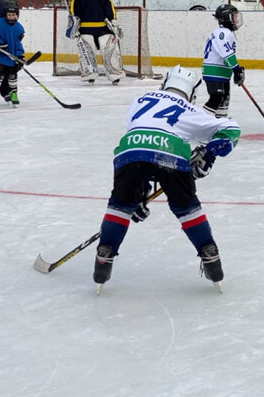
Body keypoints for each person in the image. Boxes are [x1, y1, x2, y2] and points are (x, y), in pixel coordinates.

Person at [92, 65, 241, 292]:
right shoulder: (190, 109)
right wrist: (208, 154)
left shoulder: (139, 100)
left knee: (120, 206)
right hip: (171, 151)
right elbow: (231, 129)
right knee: (187, 208)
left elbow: (145, 143)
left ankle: (105, 255)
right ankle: (209, 254)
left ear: (165, 84)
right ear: (192, 92)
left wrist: (139, 192)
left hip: (130, 149)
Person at [70, 0, 125, 84]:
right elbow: (74, 9)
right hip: (85, 28)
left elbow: (109, 7)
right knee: (87, 51)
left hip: (102, 27)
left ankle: (114, 73)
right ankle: (90, 73)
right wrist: (74, 21)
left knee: (108, 50)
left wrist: (113, 20)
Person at [202, 4, 245, 118]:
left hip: (221, 73)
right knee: (216, 98)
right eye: (234, 17)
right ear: (227, 18)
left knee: (224, 100)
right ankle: (200, 120)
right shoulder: (223, 33)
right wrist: (236, 69)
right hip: (214, 71)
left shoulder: (225, 32)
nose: (236, 20)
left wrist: (235, 70)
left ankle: (220, 122)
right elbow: (226, 52)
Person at [0, 2, 25, 109]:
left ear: (17, 14)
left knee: (13, 75)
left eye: (13, 15)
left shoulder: (19, 28)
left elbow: (18, 43)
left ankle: (14, 94)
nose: (11, 17)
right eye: (9, 15)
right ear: (5, 14)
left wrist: (20, 56)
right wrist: (0, 44)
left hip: (11, 57)